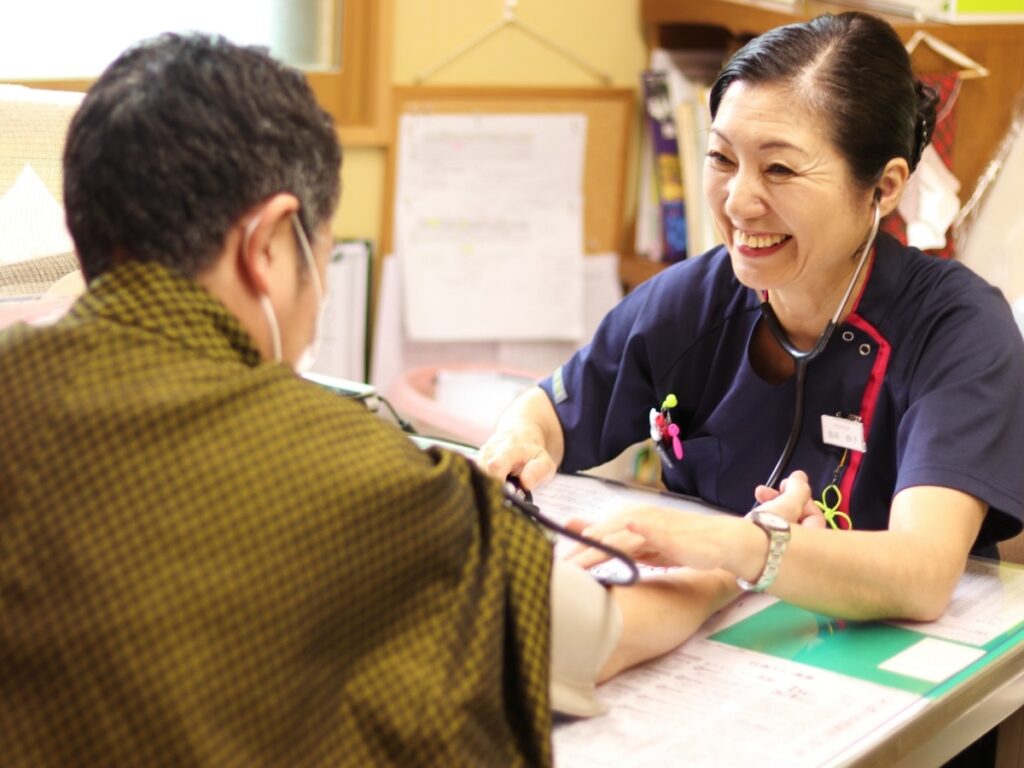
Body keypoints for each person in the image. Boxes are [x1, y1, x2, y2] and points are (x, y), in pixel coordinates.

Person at [0, 33, 782, 768]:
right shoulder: (356, 475)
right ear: (271, 243)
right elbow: (589, 634)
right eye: (323, 249)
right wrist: (728, 564)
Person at [482, 12, 1024, 627]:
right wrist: (519, 441)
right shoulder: (693, 301)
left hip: (898, 678)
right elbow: (550, 411)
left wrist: (734, 545)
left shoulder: (959, 330)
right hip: (709, 646)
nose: (738, 201)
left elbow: (921, 576)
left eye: (780, 169)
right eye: (721, 158)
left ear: (884, 187)